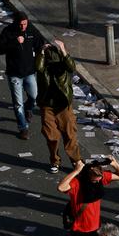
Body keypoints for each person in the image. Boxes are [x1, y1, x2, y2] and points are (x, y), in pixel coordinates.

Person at [35, 39, 81, 173]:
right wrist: (42, 51)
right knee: (51, 135)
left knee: (70, 134)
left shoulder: (63, 66)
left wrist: (63, 49)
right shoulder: (43, 68)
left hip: (62, 105)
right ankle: (55, 160)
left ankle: (76, 161)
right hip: (47, 105)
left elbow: (72, 67)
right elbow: (38, 67)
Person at [0, 11, 44, 140]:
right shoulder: (8, 31)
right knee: (18, 104)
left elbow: (39, 42)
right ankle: (23, 128)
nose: (23, 27)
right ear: (16, 23)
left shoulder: (30, 29)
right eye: (21, 24)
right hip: (14, 74)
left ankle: (28, 109)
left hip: (29, 72)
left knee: (34, 96)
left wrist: (45, 48)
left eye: (25, 24)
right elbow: (0, 49)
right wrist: (15, 42)